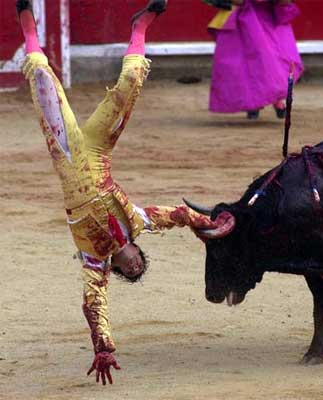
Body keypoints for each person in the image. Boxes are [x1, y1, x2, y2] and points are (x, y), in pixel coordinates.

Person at [17, 0, 218, 385]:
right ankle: (140, 28)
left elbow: (94, 304)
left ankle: (27, 28)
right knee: (130, 86)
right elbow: (177, 215)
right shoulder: (138, 221)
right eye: (139, 264)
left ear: (119, 270)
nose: (134, 266)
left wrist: (103, 345)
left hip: (65, 154)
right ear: (139, 252)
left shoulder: (95, 260)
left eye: (131, 272)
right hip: (96, 149)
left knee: (42, 76)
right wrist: (208, 223)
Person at [206, 0, 303, 119]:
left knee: (269, 60)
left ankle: (275, 99)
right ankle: (255, 102)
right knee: (244, 64)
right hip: (244, 17)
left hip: (266, 17)